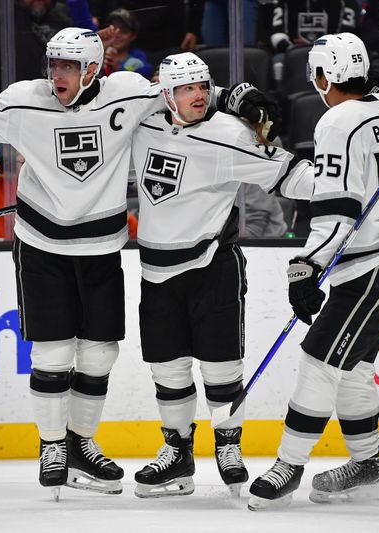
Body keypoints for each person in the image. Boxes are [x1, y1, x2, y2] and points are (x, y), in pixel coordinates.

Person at [0, 27, 280, 500]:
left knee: (100, 354)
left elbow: (183, 93)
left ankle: (80, 443)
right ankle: (52, 447)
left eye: (67, 66)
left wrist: (240, 96)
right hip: (42, 244)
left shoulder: (127, 94)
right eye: (53, 64)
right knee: (51, 353)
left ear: (92, 68)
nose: (56, 74)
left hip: (102, 247)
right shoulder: (27, 100)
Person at [247, 32, 379, 510]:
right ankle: (366, 466)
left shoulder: (337, 120)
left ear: (323, 74)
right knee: (354, 366)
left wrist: (307, 266)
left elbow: (338, 211)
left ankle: (288, 465)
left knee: (318, 360)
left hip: (373, 263)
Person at [128, 52, 315, 498]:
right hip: (155, 270)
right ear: (165, 94)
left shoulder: (230, 133)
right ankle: (177, 453)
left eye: (202, 86)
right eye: (186, 88)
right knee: (167, 369)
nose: (197, 95)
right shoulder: (142, 121)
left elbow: (288, 174)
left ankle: (228, 446)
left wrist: (350, 182)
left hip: (212, 265)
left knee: (221, 366)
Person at [101, 9, 153, 79]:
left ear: (133, 35)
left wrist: (119, 68)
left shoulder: (138, 58)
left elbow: (141, 78)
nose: (117, 35)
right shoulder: (98, 51)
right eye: (113, 29)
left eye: (124, 31)